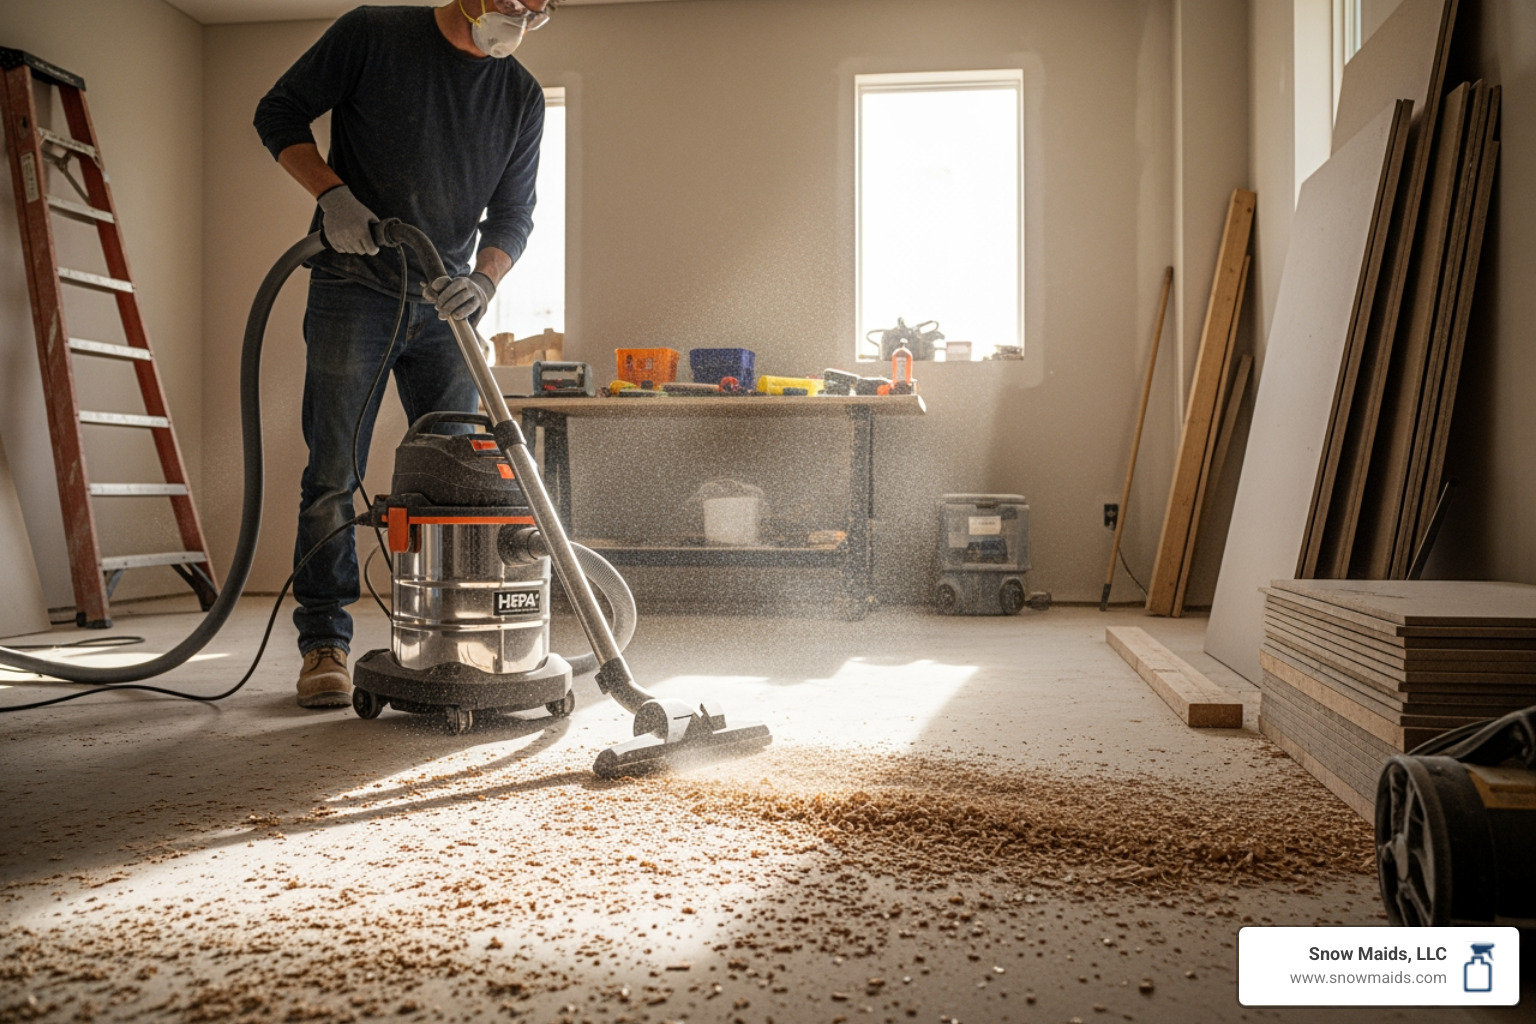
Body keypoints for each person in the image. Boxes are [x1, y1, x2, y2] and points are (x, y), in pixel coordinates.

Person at [253, 0, 557, 708]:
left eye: (540, 10)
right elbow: (279, 113)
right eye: (514, 3)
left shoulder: (520, 94)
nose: (522, 17)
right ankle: (324, 642)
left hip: (443, 303)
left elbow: (514, 214)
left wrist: (483, 282)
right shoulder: (374, 34)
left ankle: (449, 636)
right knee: (334, 472)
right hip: (351, 288)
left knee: (455, 483)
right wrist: (333, 196)